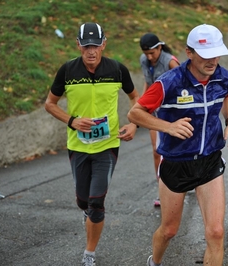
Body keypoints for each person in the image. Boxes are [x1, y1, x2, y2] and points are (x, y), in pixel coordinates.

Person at [128, 24, 228, 266]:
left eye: (216, 53)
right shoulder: (169, 82)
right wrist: (167, 127)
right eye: (205, 54)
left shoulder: (223, 77)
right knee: (169, 231)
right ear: (189, 53)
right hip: (176, 164)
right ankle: (155, 262)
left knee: (216, 232)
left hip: (210, 162)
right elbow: (135, 113)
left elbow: (227, 92)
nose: (212, 60)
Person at [44, 22, 139, 266]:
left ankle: (89, 254)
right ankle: (87, 212)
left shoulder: (117, 69)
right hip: (78, 146)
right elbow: (50, 104)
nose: (91, 51)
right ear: (77, 45)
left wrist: (134, 123)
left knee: (97, 202)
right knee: (82, 201)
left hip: (107, 146)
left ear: (104, 44)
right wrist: (72, 120)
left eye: (96, 45)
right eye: (86, 46)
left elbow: (136, 98)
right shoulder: (67, 71)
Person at [139, 33, 180, 207]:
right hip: (155, 113)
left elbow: (182, 87)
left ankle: (184, 183)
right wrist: (142, 105)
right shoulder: (144, 60)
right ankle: (162, 192)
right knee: (157, 152)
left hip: (173, 114)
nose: (149, 56)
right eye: (146, 53)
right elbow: (148, 84)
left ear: (160, 47)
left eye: (152, 53)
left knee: (178, 151)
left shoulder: (170, 62)